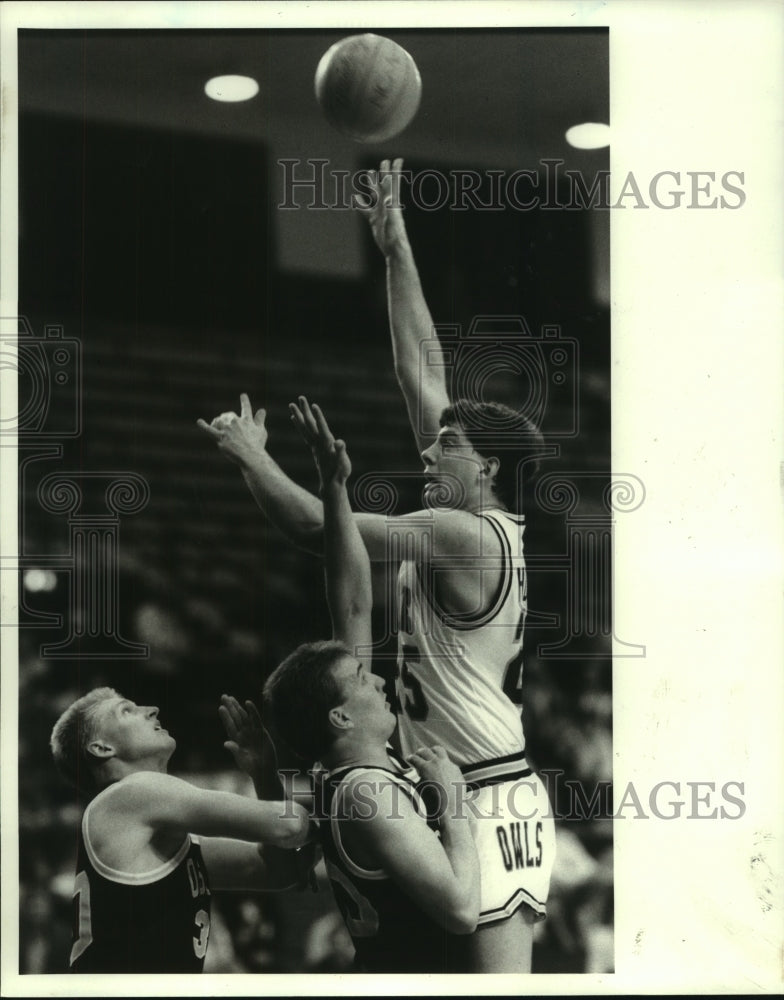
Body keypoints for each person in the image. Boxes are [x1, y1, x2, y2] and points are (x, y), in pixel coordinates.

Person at [197, 159, 555, 972]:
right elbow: (420, 371)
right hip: (438, 778)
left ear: (490, 466)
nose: (431, 451)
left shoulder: (462, 533)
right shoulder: (471, 510)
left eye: (450, 446)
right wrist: (396, 246)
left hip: (488, 792)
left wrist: (253, 456)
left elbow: (311, 532)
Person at [261, 398, 480, 973]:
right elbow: (460, 911)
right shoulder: (366, 792)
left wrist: (334, 487)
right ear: (339, 716)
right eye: (360, 677)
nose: (378, 676)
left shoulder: (336, 777)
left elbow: (353, 603)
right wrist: (451, 794)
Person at [50, 688, 315, 973]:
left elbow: (283, 871)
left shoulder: (148, 832)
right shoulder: (133, 793)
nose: (152, 708)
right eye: (126, 710)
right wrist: (344, 804)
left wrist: (264, 775)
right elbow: (288, 825)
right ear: (102, 748)